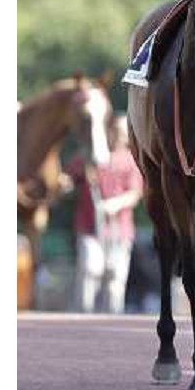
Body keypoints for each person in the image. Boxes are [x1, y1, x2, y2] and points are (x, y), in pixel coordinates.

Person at [65, 113, 144, 314]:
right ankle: (82, 318)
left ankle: (112, 325)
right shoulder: (89, 156)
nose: (119, 136)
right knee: (90, 270)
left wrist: (114, 204)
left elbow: (134, 194)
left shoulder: (131, 161)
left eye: (123, 132)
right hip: (90, 228)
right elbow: (66, 179)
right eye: (116, 131)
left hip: (119, 231)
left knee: (115, 280)